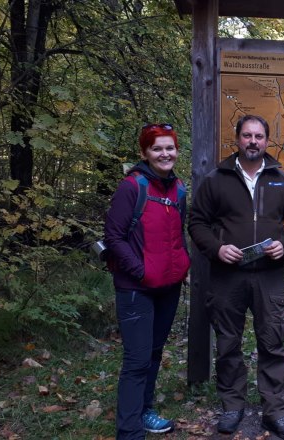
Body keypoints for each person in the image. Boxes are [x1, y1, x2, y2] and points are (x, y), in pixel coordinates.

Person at [188, 114, 284, 440]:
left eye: (258, 136)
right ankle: (232, 406)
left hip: (268, 277)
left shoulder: (281, 179)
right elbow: (197, 221)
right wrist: (216, 249)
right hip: (227, 277)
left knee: (273, 342)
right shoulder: (217, 179)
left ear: (266, 141)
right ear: (237, 139)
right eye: (247, 135)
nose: (252, 141)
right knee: (228, 343)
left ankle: (275, 411)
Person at [105, 123, 190, 439]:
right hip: (135, 289)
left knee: (153, 352)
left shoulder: (178, 188)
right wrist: (140, 271)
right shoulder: (132, 187)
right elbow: (113, 236)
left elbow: (178, 234)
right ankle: (129, 431)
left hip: (168, 287)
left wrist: (183, 265)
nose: (165, 154)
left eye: (170, 148)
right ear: (145, 153)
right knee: (137, 359)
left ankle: (144, 412)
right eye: (157, 149)